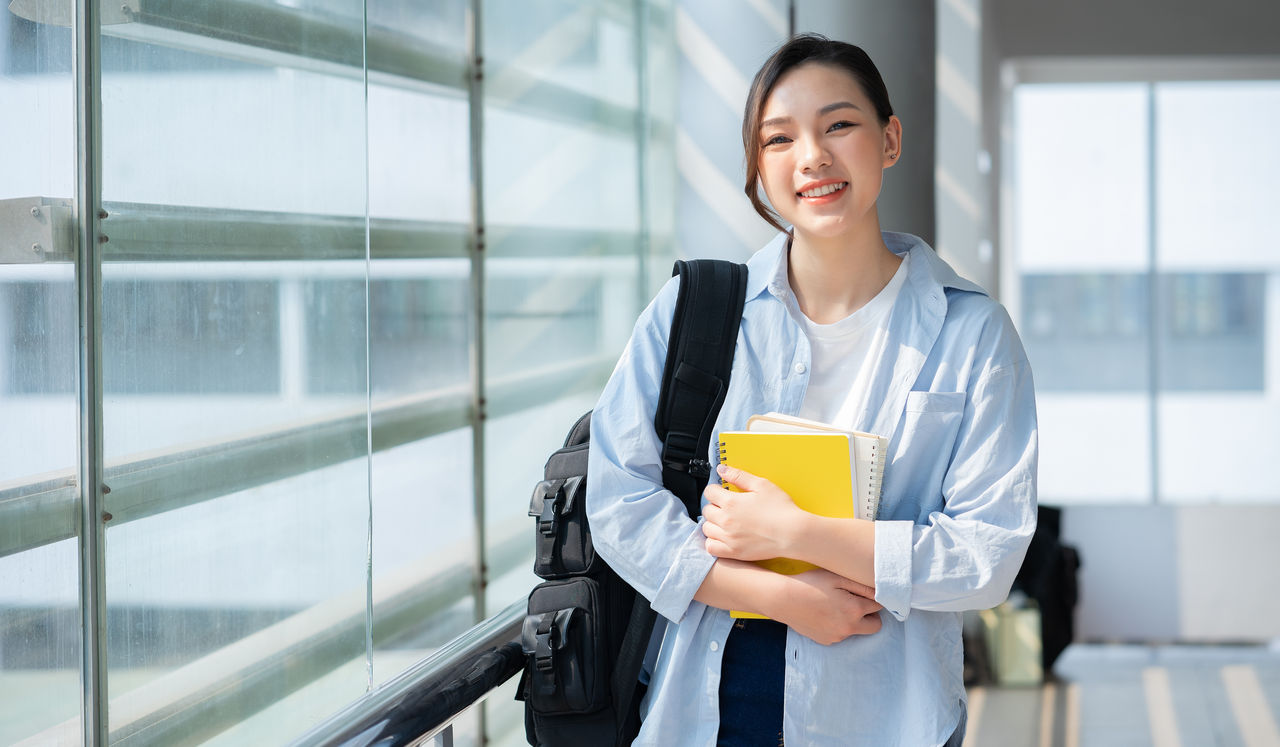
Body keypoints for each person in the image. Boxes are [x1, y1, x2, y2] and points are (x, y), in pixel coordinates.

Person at [586, 33, 1037, 746]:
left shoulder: (973, 333)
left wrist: (797, 534)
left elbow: (987, 555)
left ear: (889, 139)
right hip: (705, 709)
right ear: (758, 167)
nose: (813, 157)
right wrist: (780, 596)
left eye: (839, 125)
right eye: (779, 138)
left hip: (886, 717)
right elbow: (617, 497)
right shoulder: (695, 311)